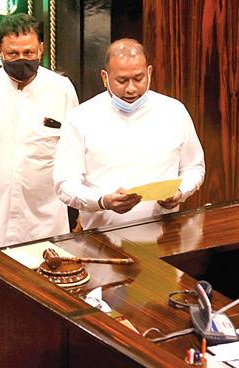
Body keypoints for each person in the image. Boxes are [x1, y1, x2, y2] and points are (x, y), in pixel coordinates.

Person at [53, 38, 205, 230]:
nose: (131, 88)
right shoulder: (80, 118)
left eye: (138, 78)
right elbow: (64, 184)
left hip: (166, 235)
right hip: (103, 239)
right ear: (104, 77)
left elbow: (194, 167)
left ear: (149, 72)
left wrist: (180, 192)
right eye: (122, 80)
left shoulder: (174, 111)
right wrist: (102, 201)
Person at [0, 13, 79, 247]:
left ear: (41, 49)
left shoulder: (61, 89)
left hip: (45, 216)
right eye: (13, 53)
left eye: (29, 53)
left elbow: (74, 154)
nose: (21, 59)